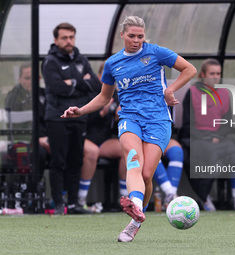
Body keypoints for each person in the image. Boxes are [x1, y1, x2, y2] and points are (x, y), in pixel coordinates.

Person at [61, 16, 197, 242]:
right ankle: (135, 205)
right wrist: (81, 110)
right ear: (122, 35)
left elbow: (190, 69)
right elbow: (104, 98)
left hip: (158, 120)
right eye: (132, 36)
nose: (136, 40)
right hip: (129, 119)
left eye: (140, 37)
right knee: (134, 163)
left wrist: (169, 90)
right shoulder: (113, 63)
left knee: (146, 175)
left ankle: (135, 221)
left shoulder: (156, 52)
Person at [41, 22, 102, 214]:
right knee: (59, 161)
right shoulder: (50, 61)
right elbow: (57, 87)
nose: (69, 41)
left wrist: (73, 83)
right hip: (57, 118)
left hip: (78, 118)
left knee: (76, 160)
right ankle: (59, 204)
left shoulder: (81, 59)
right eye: (64, 38)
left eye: (71, 37)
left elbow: (95, 84)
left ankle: (74, 203)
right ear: (56, 40)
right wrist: (80, 82)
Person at [180, 58, 235, 211]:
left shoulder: (224, 93)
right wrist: (207, 138)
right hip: (197, 138)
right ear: (203, 74)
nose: (215, 77)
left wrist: (217, 136)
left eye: (218, 73)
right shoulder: (192, 93)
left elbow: (228, 121)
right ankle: (205, 198)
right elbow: (187, 123)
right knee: (210, 157)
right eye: (212, 73)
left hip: (220, 137)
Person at [78, 63, 127, 208]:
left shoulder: (116, 94)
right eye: (108, 76)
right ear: (100, 76)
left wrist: (119, 118)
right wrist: (101, 113)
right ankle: (81, 199)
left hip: (104, 141)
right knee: (93, 152)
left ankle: (125, 199)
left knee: (128, 150)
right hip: (86, 138)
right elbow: (82, 119)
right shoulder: (90, 92)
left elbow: (114, 127)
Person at [153, 138, 184, 210]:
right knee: (152, 153)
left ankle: (171, 197)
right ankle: (171, 194)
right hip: (140, 139)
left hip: (159, 137)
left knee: (176, 152)